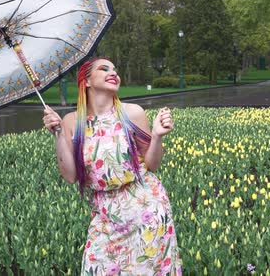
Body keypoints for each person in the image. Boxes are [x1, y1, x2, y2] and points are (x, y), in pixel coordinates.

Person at [43, 57, 182, 275]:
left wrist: (156, 137)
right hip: (104, 217)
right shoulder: (71, 122)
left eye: (115, 69)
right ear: (86, 81)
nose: (113, 72)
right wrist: (58, 135)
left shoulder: (132, 113)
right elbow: (70, 176)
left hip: (146, 211)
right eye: (104, 68)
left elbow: (152, 165)